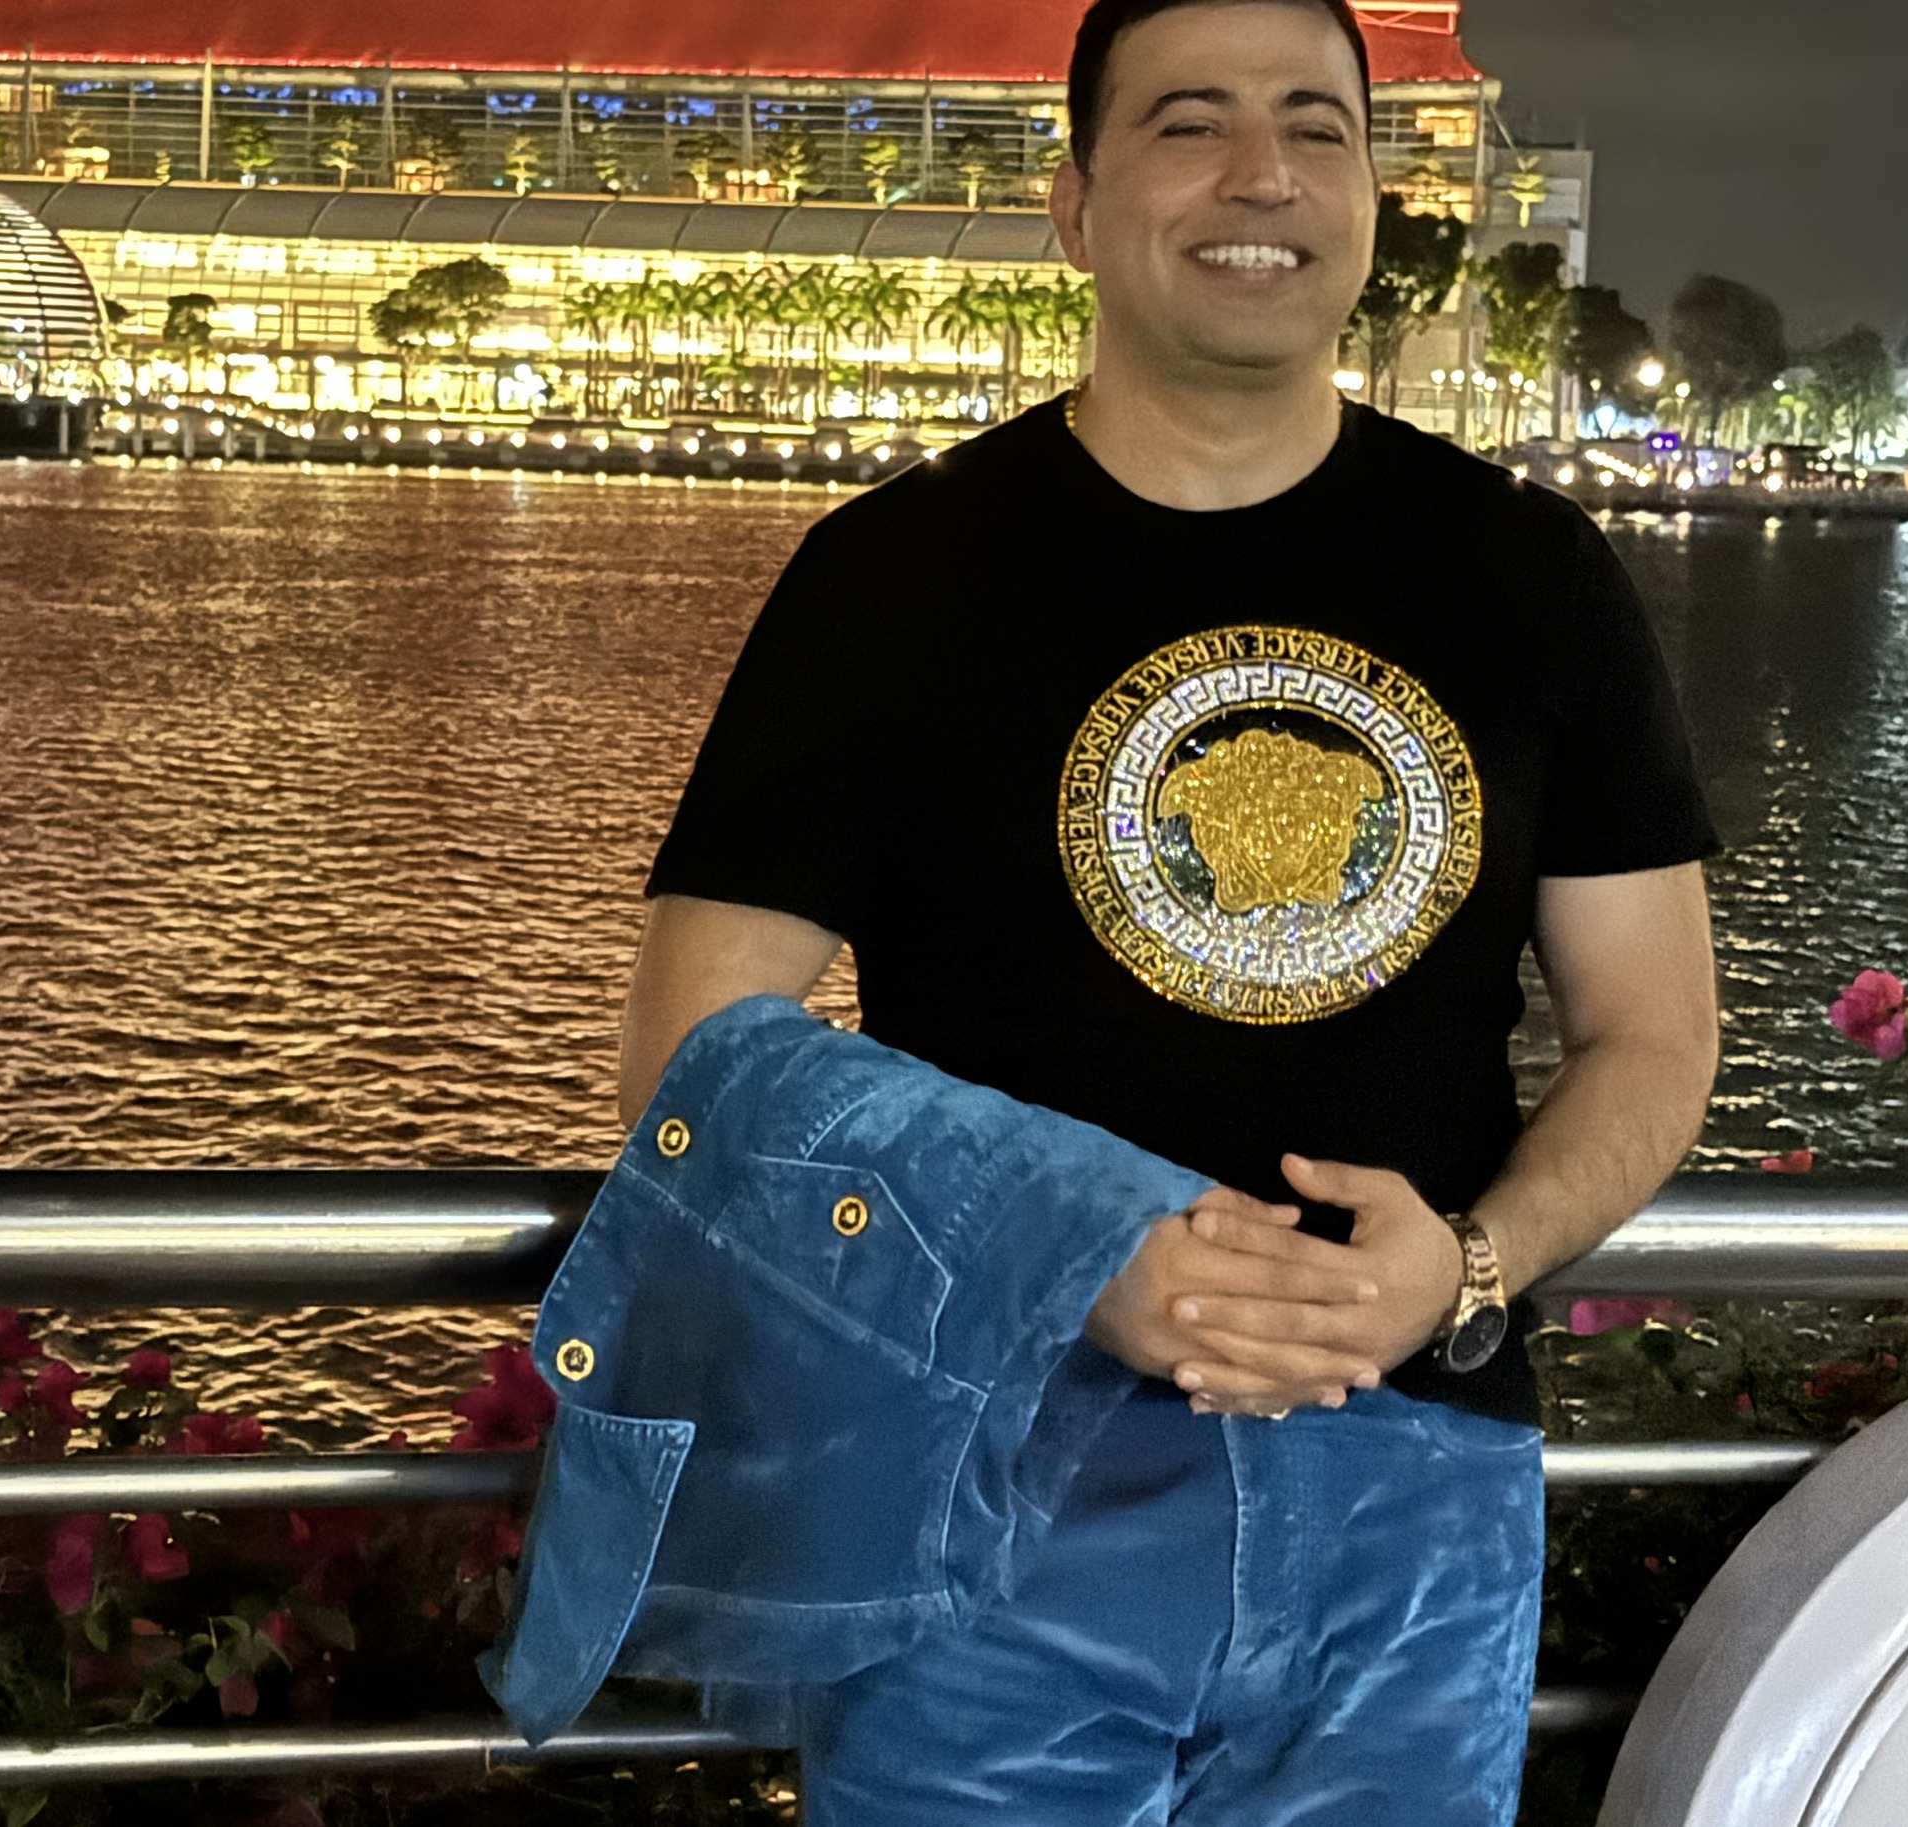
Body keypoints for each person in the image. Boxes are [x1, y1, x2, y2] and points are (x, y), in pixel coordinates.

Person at [616, 0, 1722, 1818]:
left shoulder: (1534, 576)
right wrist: (1066, 1256)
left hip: (1412, 1500)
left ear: (1373, 202)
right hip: (983, 1486)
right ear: (1074, 204)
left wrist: (1466, 1265)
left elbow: (1652, 1033)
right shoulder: (892, 578)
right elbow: (694, 1050)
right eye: (1189, 124)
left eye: (1316, 127)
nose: (1262, 175)